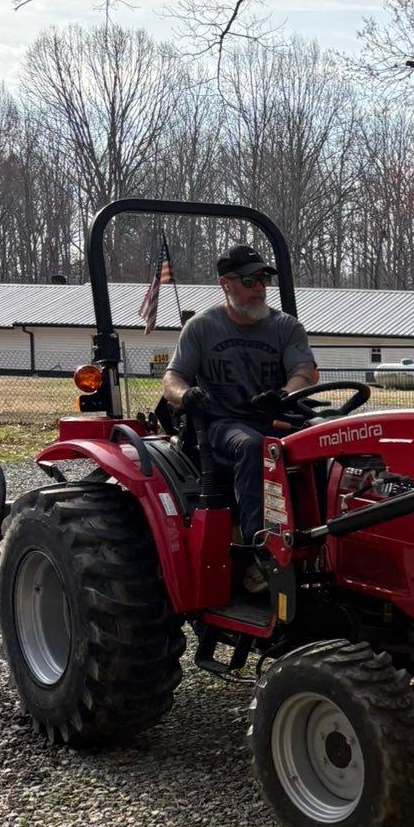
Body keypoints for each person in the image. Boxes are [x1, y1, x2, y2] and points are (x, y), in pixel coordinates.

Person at [161, 245, 318, 586]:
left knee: (328, 438)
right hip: (223, 424)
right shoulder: (202, 328)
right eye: (249, 280)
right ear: (226, 284)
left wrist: (284, 394)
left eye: (263, 279)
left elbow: (303, 371)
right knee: (253, 446)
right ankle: (259, 552)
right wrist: (186, 395)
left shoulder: (286, 326)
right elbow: (172, 378)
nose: (259, 287)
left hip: (276, 417)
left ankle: (324, 539)